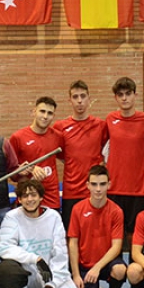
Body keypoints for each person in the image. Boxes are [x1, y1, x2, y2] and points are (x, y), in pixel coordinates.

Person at [0, 179, 88, 288]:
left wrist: (51, 285)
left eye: (33, 195)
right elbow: (4, 247)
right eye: (25, 196)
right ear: (19, 199)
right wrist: (35, 259)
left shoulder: (54, 217)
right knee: (6, 268)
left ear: (41, 197)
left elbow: (61, 256)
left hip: (51, 275)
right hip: (25, 274)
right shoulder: (12, 217)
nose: (29, 199)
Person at [67, 166, 126, 288]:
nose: (98, 189)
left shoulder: (116, 211)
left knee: (120, 270)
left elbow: (117, 246)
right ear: (87, 185)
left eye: (102, 184)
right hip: (85, 266)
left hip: (105, 264)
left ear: (109, 185)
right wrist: (75, 274)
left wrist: (98, 267)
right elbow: (73, 243)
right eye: (94, 184)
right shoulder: (77, 209)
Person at [53, 80, 108, 231]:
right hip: (72, 191)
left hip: (95, 190)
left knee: (97, 234)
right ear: (69, 100)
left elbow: (107, 151)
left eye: (83, 96)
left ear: (89, 99)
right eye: (75, 97)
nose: (79, 101)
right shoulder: (60, 127)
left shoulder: (101, 125)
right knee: (72, 235)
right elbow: (62, 155)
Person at [105, 77, 144, 237]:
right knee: (114, 236)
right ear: (116, 98)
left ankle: (136, 263)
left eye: (128, 94)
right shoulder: (110, 119)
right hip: (114, 188)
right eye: (120, 95)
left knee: (135, 236)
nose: (124, 98)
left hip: (138, 189)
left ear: (135, 95)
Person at [7, 96, 64, 210]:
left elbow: (66, 159)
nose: (45, 116)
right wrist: (29, 168)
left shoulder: (58, 136)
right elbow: (11, 172)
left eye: (49, 113)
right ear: (34, 112)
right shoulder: (18, 137)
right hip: (27, 197)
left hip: (51, 198)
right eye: (42, 111)